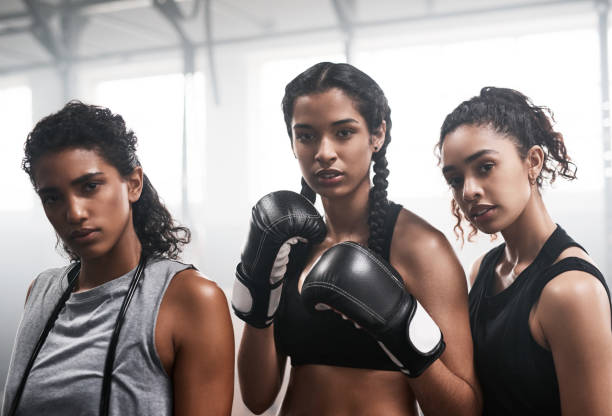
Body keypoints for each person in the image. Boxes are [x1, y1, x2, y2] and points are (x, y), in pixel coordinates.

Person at [232, 62, 482, 415]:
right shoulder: (289, 244)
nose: (324, 152)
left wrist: (399, 333)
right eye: (306, 135)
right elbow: (257, 398)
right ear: (292, 142)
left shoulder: (420, 248)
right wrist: (260, 289)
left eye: (343, 132)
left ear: (376, 135)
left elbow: (464, 409)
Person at [2, 101, 234, 416]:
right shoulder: (41, 291)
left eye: (90, 186)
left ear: (133, 184)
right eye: (52, 197)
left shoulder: (191, 298)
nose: (74, 213)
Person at [438, 86, 612, 415]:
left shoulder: (571, 291)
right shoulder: (484, 269)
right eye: (455, 179)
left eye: (485, 167)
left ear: (532, 161)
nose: (469, 190)